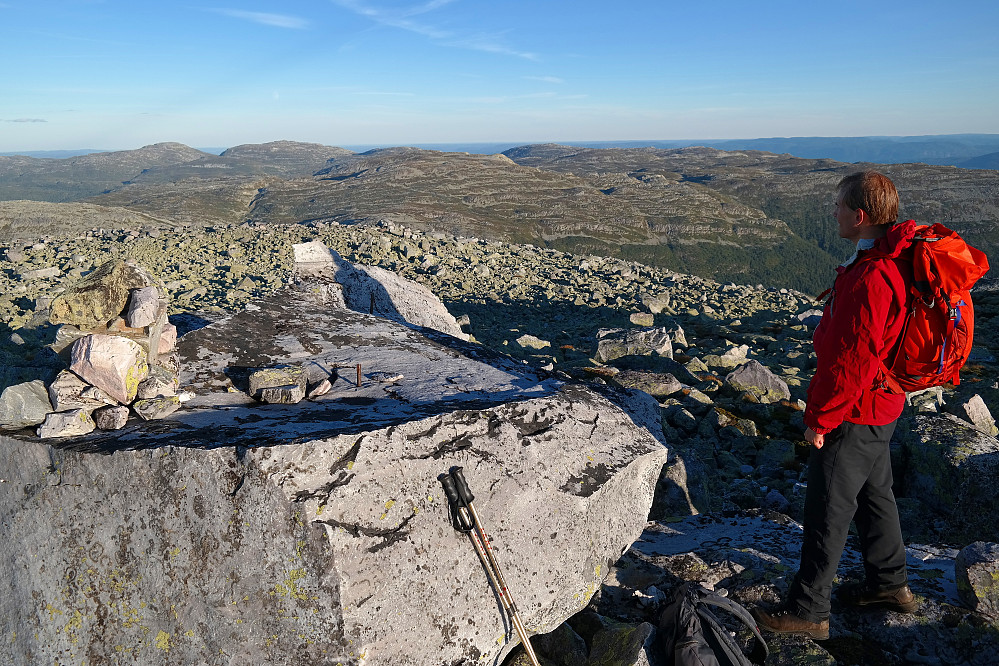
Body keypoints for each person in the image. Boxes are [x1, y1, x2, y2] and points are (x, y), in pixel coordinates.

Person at [752, 171, 918, 641]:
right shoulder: (890, 258)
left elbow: (851, 362)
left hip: (857, 410)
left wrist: (820, 420)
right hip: (882, 405)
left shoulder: (872, 276)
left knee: (828, 507)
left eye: (839, 206)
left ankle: (809, 612)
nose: (834, 213)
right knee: (875, 494)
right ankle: (890, 586)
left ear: (859, 216)